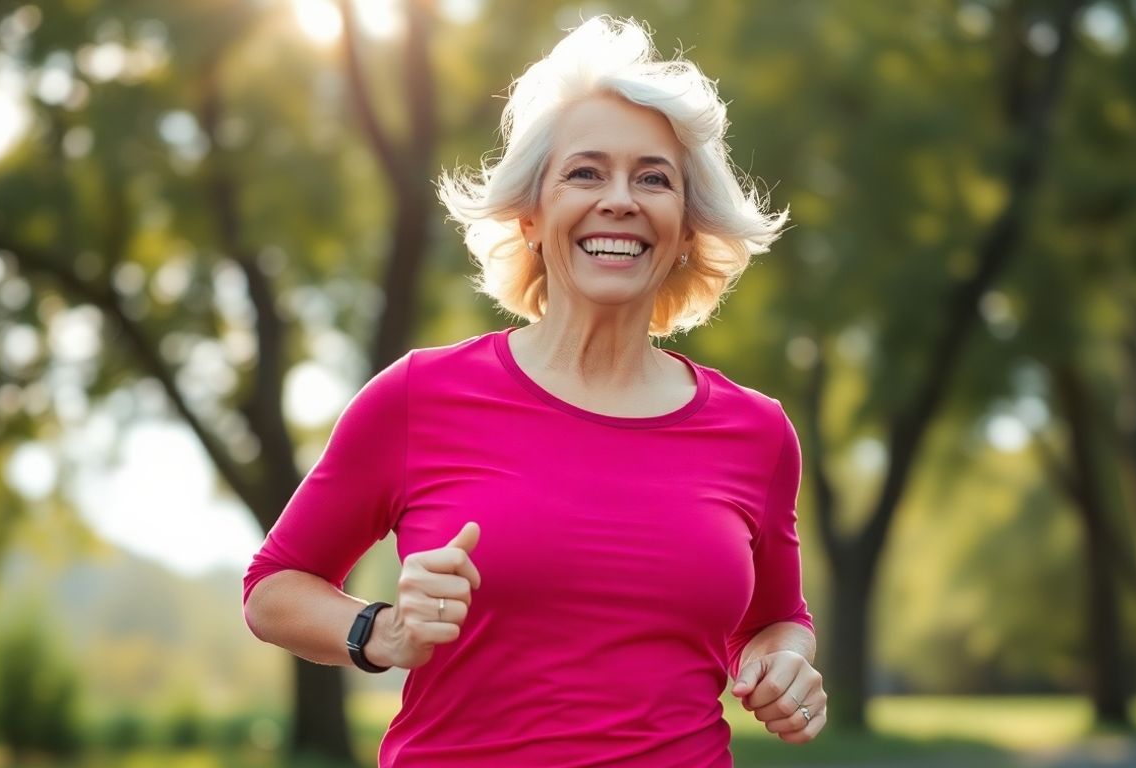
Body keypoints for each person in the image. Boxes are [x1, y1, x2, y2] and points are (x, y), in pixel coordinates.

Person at [243, 15, 825, 767]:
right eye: (585, 173)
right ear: (530, 215)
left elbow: (777, 619)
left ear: (686, 227)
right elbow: (273, 590)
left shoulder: (757, 432)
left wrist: (784, 666)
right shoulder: (421, 396)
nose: (620, 199)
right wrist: (380, 631)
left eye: (654, 178)